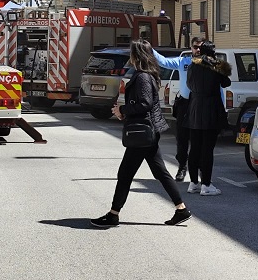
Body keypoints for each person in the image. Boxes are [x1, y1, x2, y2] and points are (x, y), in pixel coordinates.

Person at [90, 39, 191, 228]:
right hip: (146, 132)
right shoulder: (145, 74)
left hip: (143, 132)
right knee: (159, 172)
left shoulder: (143, 76)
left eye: (131, 53)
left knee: (126, 174)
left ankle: (113, 215)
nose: (130, 56)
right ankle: (181, 208)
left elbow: (144, 103)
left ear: (137, 56)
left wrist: (123, 109)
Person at [185, 41, 231, 196]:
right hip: (211, 108)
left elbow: (189, 84)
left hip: (194, 107)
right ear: (213, 52)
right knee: (207, 149)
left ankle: (193, 183)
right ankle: (206, 184)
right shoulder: (217, 66)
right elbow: (226, 83)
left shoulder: (192, 65)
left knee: (195, 148)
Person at [153, 38, 203, 182]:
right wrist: (150, 49)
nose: (198, 50)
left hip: (199, 105)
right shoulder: (184, 62)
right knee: (182, 138)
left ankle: (200, 169)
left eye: (200, 47)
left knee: (198, 139)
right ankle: (182, 167)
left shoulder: (209, 64)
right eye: (195, 47)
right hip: (185, 104)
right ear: (191, 48)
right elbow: (163, 62)